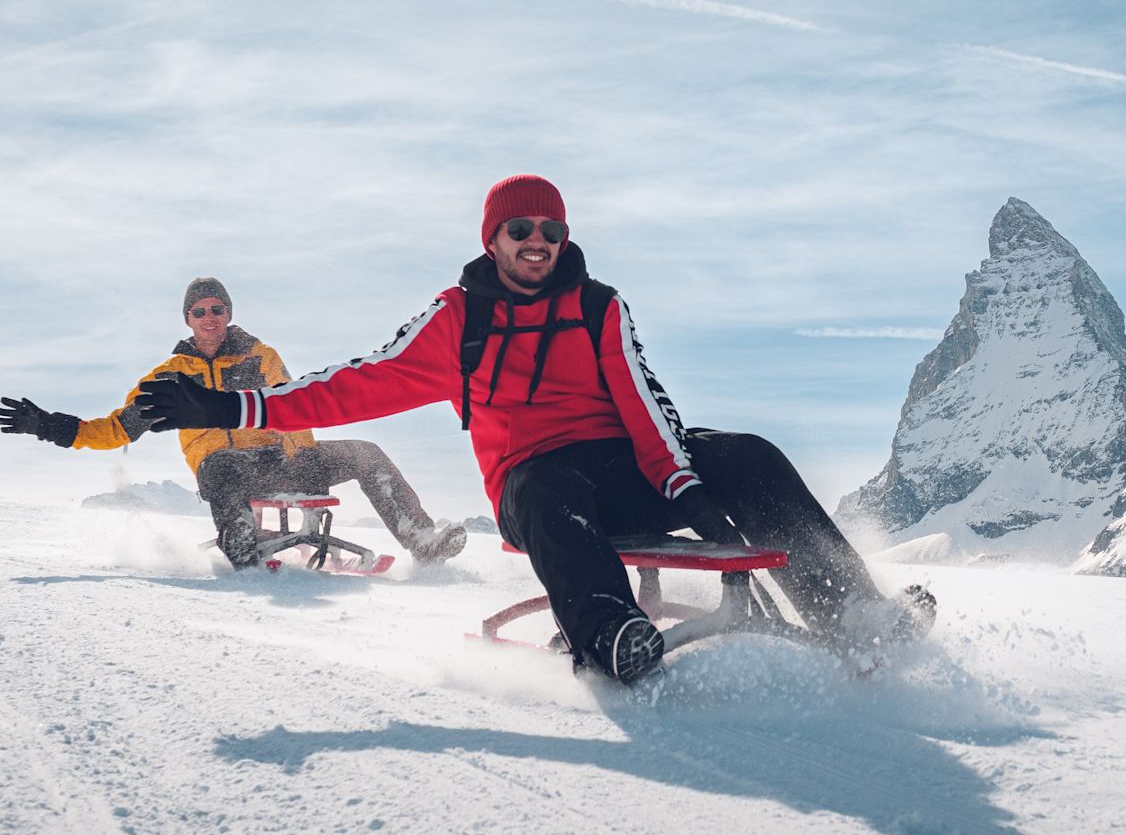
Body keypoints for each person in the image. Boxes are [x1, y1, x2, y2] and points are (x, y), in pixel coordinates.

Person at [134, 178, 934, 682]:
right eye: (521, 230)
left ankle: (852, 613)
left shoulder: (598, 306)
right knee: (549, 481)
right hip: (536, 488)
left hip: (626, 473)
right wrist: (228, 409)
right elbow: (354, 385)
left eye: (549, 229)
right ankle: (608, 633)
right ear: (493, 239)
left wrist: (688, 488)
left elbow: (648, 409)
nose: (537, 242)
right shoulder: (459, 320)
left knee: (748, 454)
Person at [0, 277, 466, 571]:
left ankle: (421, 539)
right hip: (224, 469)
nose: (209, 317)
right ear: (187, 318)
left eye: (217, 309)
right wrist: (47, 425)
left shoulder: (259, 357)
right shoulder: (169, 377)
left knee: (366, 452)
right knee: (222, 464)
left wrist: (299, 454)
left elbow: (294, 404)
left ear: (229, 315)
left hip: (283, 458)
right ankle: (243, 550)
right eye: (199, 310)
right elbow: (114, 430)